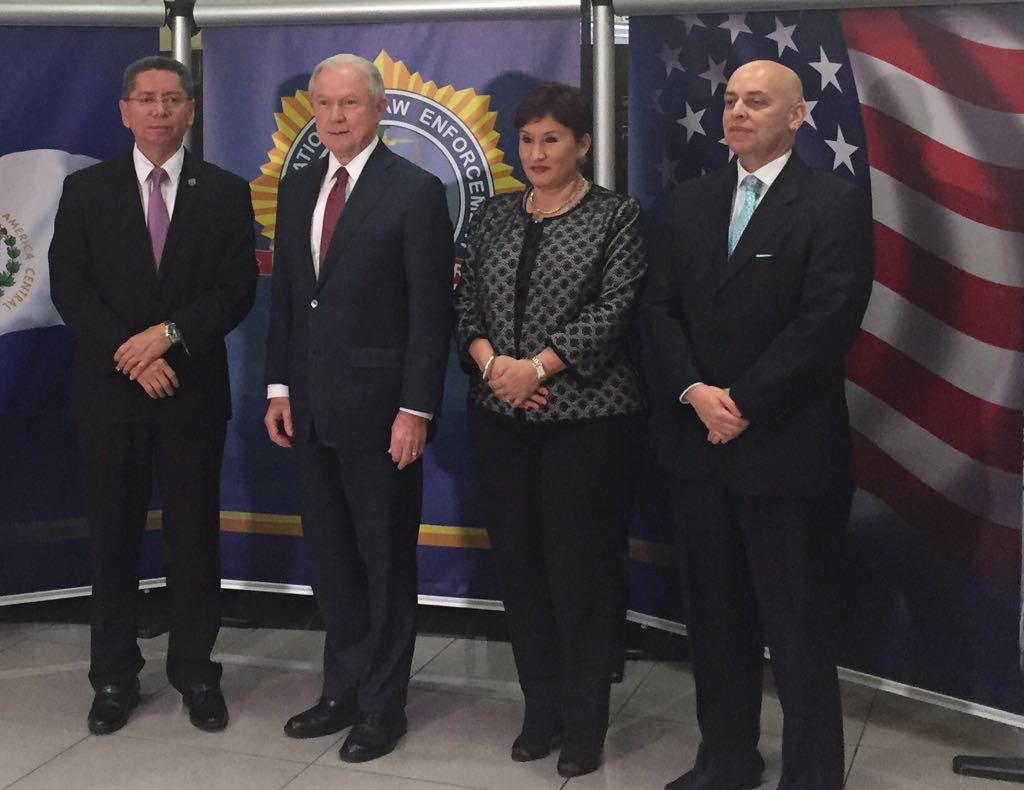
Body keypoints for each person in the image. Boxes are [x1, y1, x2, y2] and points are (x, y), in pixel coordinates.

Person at [642, 60, 874, 790]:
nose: (738, 112)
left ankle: (811, 775)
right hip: (698, 449)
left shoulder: (832, 203)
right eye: (731, 99)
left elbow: (827, 322)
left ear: (797, 117)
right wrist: (693, 392)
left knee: (799, 632)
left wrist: (739, 402)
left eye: (757, 101)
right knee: (715, 625)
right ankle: (726, 758)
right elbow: (658, 309)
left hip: (788, 452)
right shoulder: (689, 200)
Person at [49, 56, 257, 735]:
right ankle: (112, 678)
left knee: (195, 542)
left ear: (191, 109)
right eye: (146, 99)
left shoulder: (225, 192)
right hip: (111, 395)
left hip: (191, 393)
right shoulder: (86, 189)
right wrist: (132, 356)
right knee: (113, 541)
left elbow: (235, 291)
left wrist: (167, 337)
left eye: (173, 99)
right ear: (124, 110)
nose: (160, 110)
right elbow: (70, 287)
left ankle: (196, 672)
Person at [453, 83, 647, 779]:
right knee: (522, 569)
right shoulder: (494, 215)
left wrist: (536, 369)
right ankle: (542, 709)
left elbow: (616, 308)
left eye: (552, 140)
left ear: (583, 144)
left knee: (582, 575)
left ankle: (586, 721)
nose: (537, 153)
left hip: (589, 424)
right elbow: (467, 303)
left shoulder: (616, 217)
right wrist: (497, 369)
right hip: (499, 419)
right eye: (528, 140)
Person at [263, 54, 453, 763]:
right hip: (308, 408)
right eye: (325, 104)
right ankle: (340, 688)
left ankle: (382, 705)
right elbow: (287, 297)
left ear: (379, 110)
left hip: (381, 415)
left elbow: (431, 313)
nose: (336, 117)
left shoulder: (414, 190)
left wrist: (416, 410)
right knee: (333, 561)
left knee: (382, 563)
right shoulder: (299, 184)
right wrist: (278, 387)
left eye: (350, 104)